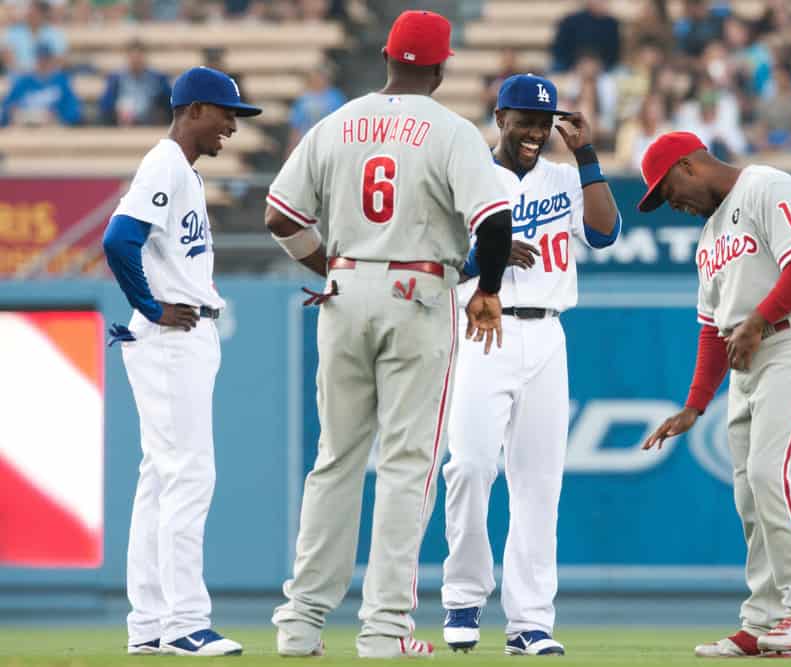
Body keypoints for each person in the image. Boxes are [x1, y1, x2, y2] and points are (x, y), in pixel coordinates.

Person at [265, 10, 513, 659]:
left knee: (335, 460)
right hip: (417, 290)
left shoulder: (337, 121)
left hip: (344, 288)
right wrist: (487, 290)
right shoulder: (450, 131)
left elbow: (280, 214)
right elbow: (493, 222)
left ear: (386, 57)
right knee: (407, 466)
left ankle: (299, 621)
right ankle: (383, 629)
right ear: (439, 66)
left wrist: (336, 268)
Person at [637, 132, 791, 658]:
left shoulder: (767, 186)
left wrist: (758, 320)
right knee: (750, 494)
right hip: (747, 353)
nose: (673, 205)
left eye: (669, 192)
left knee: (773, 477)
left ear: (689, 165)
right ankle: (765, 618)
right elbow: (711, 328)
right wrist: (694, 404)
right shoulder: (709, 237)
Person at [440, 73, 620, 657]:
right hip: (481, 330)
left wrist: (586, 151)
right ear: (500, 118)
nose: (536, 133)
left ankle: (531, 621)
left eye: (544, 124)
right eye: (526, 121)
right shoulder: (468, 175)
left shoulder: (563, 177)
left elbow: (605, 232)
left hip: (546, 331)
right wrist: (481, 255)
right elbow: (438, 261)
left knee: (539, 484)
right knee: (468, 467)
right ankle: (464, 598)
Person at [102, 66, 261, 657]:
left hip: (180, 337)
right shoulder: (167, 162)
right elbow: (118, 239)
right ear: (195, 109)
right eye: (227, 114)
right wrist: (148, 303)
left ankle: (148, 622)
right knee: (189, 475)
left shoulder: (183, 172)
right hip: (172, 338)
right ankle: (184, 623)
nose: (232, 128)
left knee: (160, 480)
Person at [0, 44, 80, 126]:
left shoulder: (62, 81)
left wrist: (58, 116)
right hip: (24, 130)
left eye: (46, 59)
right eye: (40, 59)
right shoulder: (23, 81)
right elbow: (7, 108)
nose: (43, 62)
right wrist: (12, 112)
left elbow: (73, 113)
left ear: (52, 60)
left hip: (54, 131)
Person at [99, 39, 172, 126]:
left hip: (150, 124)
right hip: (121, 124)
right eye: (133, 58)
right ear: (128, 58)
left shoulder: (158, 80)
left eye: (139, 57)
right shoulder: (116, 80)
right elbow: (105, 106)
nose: (136, 61)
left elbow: (169, 104)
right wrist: (117, 112)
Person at [286, 64, 346, 152]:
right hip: (308, 145)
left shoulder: (336, 97)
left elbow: (343, 122)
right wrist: (291, 149)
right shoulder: (303, 99)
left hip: (330, 144)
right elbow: (296, 127)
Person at [550, 0, 621, 73]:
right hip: (570, 64)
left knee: (622, 72)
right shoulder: (570, 21)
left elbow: (614, 52)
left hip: (603, 67)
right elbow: (559, 49)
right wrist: (576, 65)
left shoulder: (611, 24)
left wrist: (599, 65)